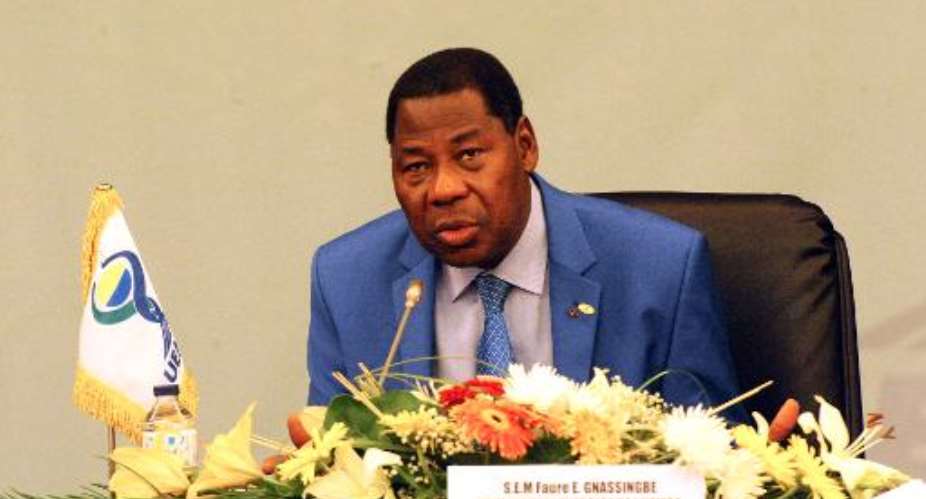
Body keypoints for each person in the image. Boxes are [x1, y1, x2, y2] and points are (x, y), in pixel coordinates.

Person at [307, 47, 746, 421]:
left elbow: (711, 459)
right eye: (417, 167)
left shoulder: (663, 267)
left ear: (525, 146)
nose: (444, 190)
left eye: (470, 154)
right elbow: (330, 462)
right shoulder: (346, 281)